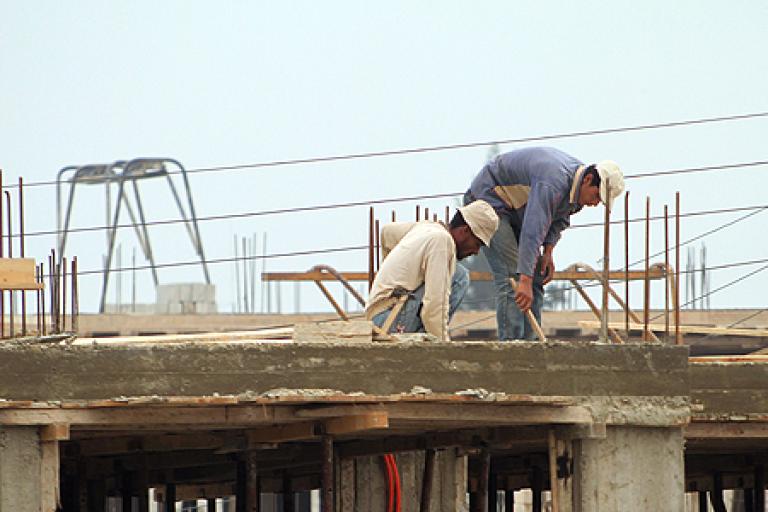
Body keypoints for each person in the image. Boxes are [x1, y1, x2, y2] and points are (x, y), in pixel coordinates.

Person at [464, 147, 624, 340]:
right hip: (488, 202)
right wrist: (524, 280)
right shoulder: (553, 182)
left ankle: (531, 346)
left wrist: (548, 252)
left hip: (515, 212)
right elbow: (532, 230)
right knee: (513, 278)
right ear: (588, 180)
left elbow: (559, 220)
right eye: (597, 196)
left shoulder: (577, 189)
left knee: (535, 275)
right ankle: (511, 349)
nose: (596, 203)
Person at [365, 200, 499, 340]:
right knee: (460, 276)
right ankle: (426, 344)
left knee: (453, 272)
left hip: (378, 317)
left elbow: (387, 232)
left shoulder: (426, 228)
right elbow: (435, 306)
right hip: (391, 320)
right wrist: (441, 347)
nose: (476, 251)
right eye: (477, 243)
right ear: (465, 230)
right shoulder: (442, 241)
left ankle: (424, 338)